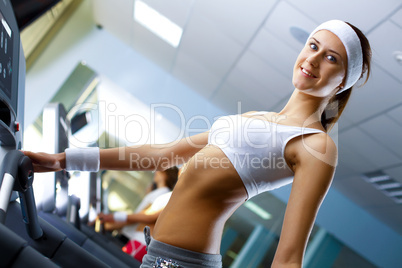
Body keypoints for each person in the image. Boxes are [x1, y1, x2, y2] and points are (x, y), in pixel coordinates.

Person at [24, 19, 371, 267]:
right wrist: (62, 160)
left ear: (343, 82)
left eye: (331, 58)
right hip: (156, 255)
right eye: (313, 46)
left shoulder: (316, 144)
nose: (312, 59)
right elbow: (161, 154)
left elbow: (289, 256)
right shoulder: (253, 117)